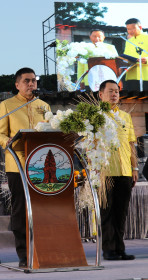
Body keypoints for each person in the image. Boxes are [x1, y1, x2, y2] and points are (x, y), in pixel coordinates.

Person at [0, 67, 51, 267]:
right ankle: (24, 254)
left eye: (34, 80)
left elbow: (50, 131)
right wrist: (7, 141)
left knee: (41, 209)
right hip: (17, 164)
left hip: (41, 165)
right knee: (20, 209)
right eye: (26, 81)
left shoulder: (43, 105)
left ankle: (42, 252)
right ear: (17, 84)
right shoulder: (7, 105)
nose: (31, 84)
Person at [98, 79, 138, 261]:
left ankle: (120, 248)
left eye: (116, 91)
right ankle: (108, 250)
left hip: (125, 171)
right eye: (110, 91)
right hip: (105, 171)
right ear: (101, 94)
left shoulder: (125, 116)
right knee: (106, 212)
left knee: (121, 213)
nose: (114, 94)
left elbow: (131, 144)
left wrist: (134, 167)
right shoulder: (95, 116)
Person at [123, 18, 148, 90]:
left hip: (145, 75)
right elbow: (126, 55)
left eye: (133, 28)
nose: (130, 31)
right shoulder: (128, 41)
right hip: (131, 75)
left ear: (140, 27)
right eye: (128, 29)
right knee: (133, 99)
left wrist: (146, 60)